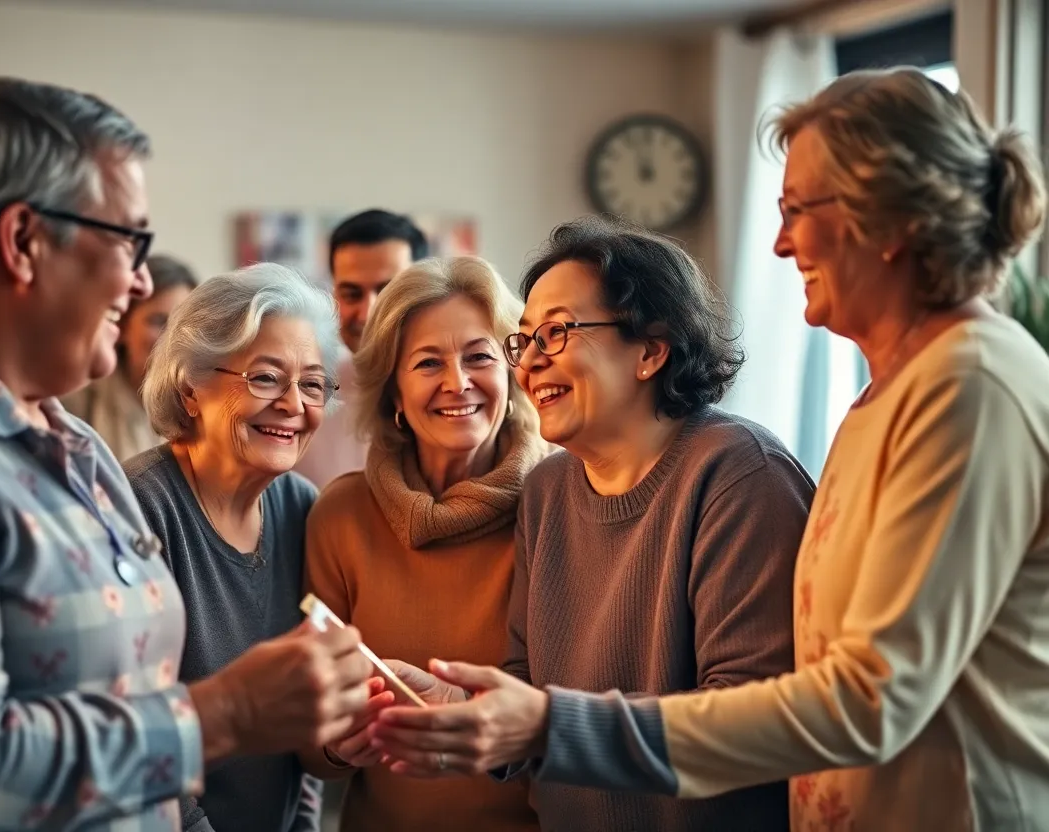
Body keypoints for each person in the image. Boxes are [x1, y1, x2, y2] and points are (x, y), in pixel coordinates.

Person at [378, 68, 1049, 831]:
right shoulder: (891, 396)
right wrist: (474, 709)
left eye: (799, 209)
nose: (780, 240)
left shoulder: (970, 388)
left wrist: (547, 725)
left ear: (891, 217)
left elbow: (867, 700)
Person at [0, 76, 372, 830]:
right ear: (23, 241)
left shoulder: (70, 440)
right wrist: (230, 711)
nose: (144, 280)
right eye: (128, 241)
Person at [370, 216, 815, 831]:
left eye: (555, 334)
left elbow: (753, 723)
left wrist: (547, 723)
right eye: (524, 342)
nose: (528, 366)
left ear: (651, 350)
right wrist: (459, 706)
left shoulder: (738, 476)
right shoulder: (548, 491)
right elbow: (530, 682)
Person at [302, 256, 547, 831]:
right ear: (393, 390)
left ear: (513, 374)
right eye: (428, 362)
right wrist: (338, 743)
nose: (457, 382)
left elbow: (590, 712)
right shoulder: (341, 515)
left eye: (480, 356)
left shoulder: (562, 501)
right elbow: (313, 744)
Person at [125, 264, 343, 832]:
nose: (295, 404)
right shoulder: (139, 510)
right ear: (190, 388)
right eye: (267, 377)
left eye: (313, 383)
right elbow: (136, 736)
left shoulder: (300, 506)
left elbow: (305, 710)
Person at [294, 209, 428, 488]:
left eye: (388, 291)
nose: (368, 313)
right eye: (352, 293)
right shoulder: (304, 398)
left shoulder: (462, 396)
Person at [63, 253, 198, 461]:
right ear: (122, 326)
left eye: (183, 324)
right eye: (158, 321)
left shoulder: (200, 407)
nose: (172, 337)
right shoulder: (75, 403)